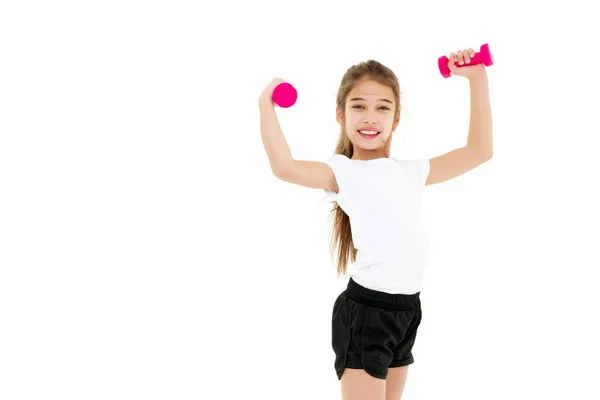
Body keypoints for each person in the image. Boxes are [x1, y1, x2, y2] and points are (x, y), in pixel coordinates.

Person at [258, 48, 493, 400]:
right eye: (359, 106)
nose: (370, 117)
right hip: (367, 314)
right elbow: (285, 167)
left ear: (396, 118)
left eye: (383, 107)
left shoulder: (412, 172)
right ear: (341, 114)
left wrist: (477, 78)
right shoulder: (342, 172)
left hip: (407, 309)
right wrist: (266, 103)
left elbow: (480, 151)